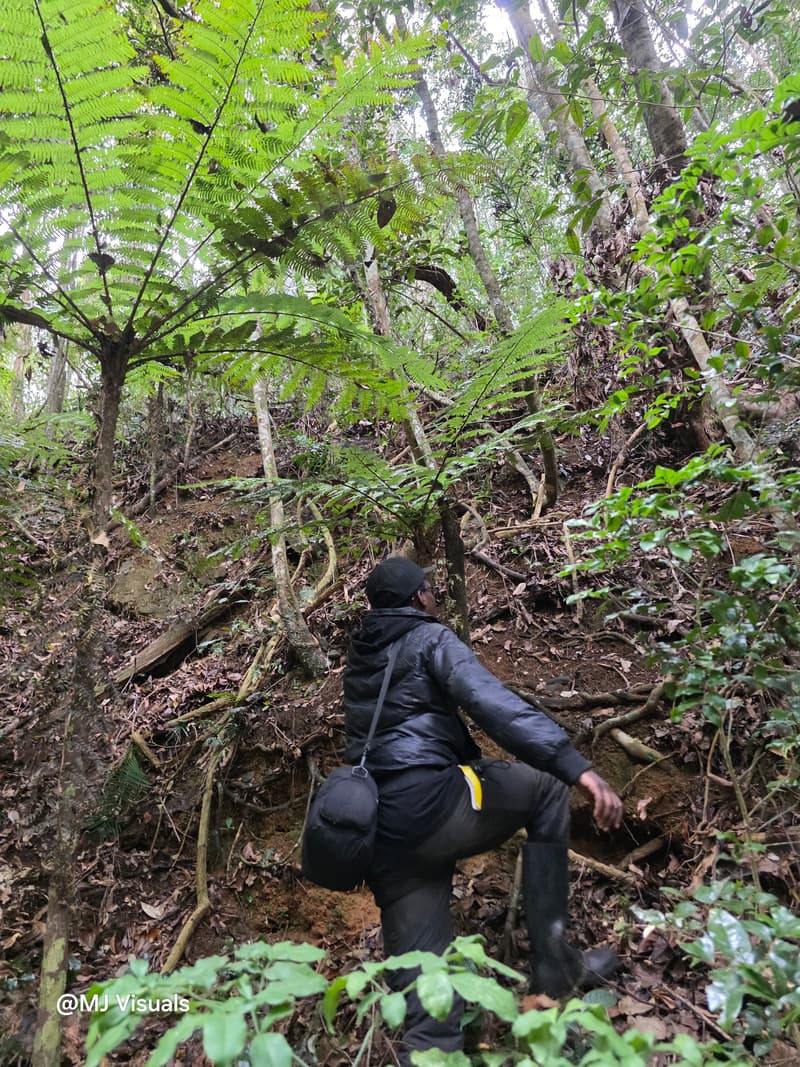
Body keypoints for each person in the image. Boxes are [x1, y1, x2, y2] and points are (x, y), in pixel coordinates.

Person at [343, 556, 624, 1065]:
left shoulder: (361, 655)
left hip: (381, 829)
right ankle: (556, 967)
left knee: (427, 1015)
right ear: (418, 598)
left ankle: (431, 1052)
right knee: (545, 789)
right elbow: (489, 701)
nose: (435, 596)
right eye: (429, 589)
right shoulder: (431, 637)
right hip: (432, 801)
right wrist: (572, 765)